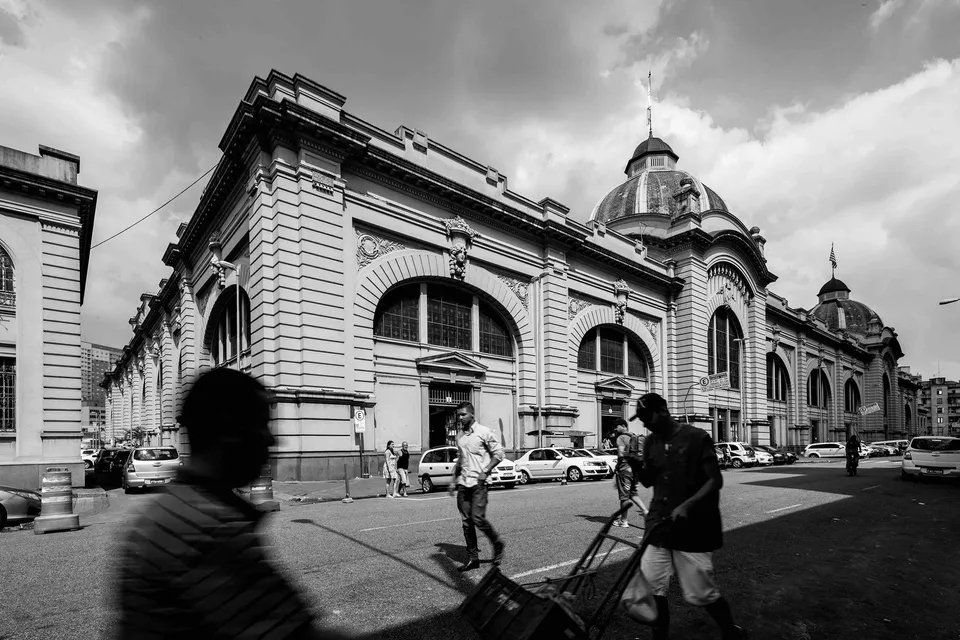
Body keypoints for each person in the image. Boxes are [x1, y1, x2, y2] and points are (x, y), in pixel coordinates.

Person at [116, 368, 347, 639]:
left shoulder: (171, 511)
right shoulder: (208, 529)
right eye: (262, 423)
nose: (273, 439)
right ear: (230, 432)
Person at [631, 392, 747, 640]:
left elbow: (714, 480)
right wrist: (635, 465)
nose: (644, 424)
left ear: (662, 412)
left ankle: (731, 631)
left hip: (692, 529)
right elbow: (649, 480)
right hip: (659, 527)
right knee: (653, 588)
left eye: (646, 418)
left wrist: (687, 506)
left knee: (700, 592)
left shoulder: (696, 437)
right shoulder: (650, 442)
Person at [448, 401, 506, 572]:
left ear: (472, 414)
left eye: (463, 414)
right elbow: (461, 459)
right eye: (458, 414)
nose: (460, 417)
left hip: (479, 483)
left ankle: (497, 544)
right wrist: (453, 479)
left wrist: (486, 470)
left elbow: (499, 454)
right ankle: (473, 558)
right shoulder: (459, 436)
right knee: (466, 521)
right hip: (464, 483)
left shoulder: (484, 432)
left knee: (477, 518)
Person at [612, 418, 645, 528]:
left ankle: (623, 520)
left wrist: (617, 467)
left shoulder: (621, 437)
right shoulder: (634, 436)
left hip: (625, 470)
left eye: (617, 427)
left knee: (624, 497)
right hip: (635, 469)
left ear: (622, 426)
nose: (615, 429)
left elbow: (621, 454)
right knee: (633, 493)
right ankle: (646, 511)